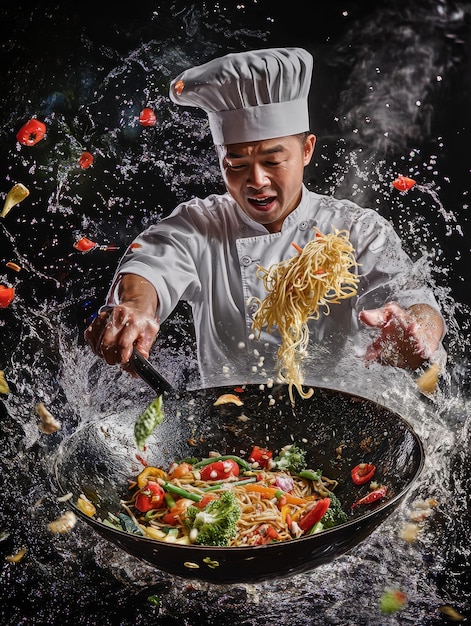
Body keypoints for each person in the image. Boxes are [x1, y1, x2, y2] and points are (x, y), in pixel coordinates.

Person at [85, 47, 445, 389]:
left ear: (306, 151)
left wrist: (417, 330)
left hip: (348, 435)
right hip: (227, 431)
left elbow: (415, 300)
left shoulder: (358, 230)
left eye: (273, 161)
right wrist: (134, 306)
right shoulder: (201, 225)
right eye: (236, 164)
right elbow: (150, 263)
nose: (257, 181)